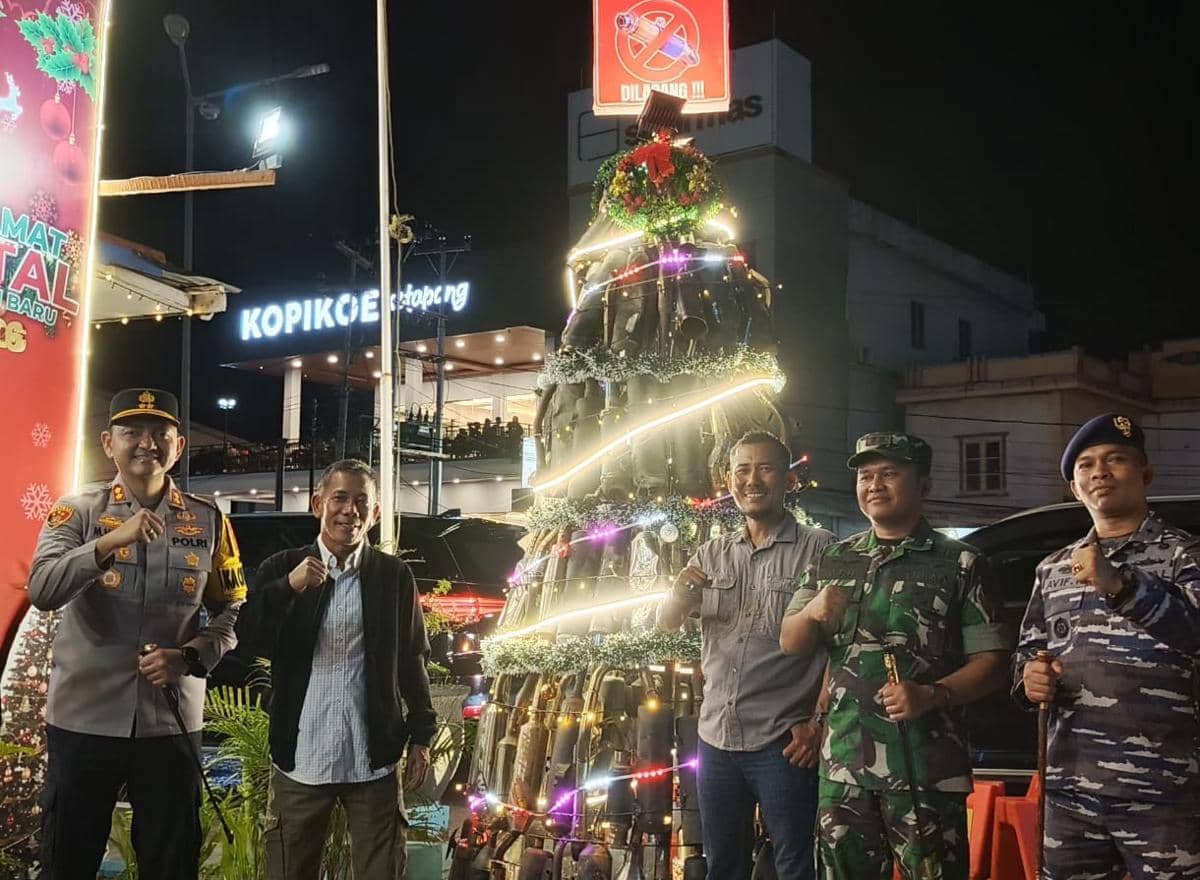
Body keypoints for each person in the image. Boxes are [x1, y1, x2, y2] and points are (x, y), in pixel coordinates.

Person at [28, 388, 246, 879]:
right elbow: (42, 588)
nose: (146, 443)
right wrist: (109, 542)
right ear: (108, 443)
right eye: (132, 432)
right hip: (85, 718)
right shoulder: (77, 512)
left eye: (159, 434)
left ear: (179, 446)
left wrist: (191, 656)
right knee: (68, 859)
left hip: (169, 722)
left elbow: (232, 608)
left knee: (171, 862)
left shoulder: (209, 519)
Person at [780, 432, 1010, 880]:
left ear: (923, 485)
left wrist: (933, 694)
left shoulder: (960, 563)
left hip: (925, 771)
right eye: (866, 475)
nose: (874, 485)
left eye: (890, 473)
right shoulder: (834, 559)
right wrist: (810, 612)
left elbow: (994, 663)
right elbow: (790, 641)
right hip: (843, 769)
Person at [1015, 414, 1200, 879]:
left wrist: (1120, 585)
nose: (1100, 471)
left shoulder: (1185, 555)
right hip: (1070, 792)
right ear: (1075, 489)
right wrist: (1029, 680)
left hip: (1163, 791)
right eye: (1087, 465)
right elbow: (1028, 652)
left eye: (1116, 459)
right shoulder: (1053, 568)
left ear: (1145, 474)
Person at [236, 458, 438, 880]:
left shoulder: (392, 576)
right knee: (289, 871)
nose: (350, 510)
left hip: (373, 760)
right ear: (318, 504)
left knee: (381, 871)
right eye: (339, 499)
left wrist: (421, 735)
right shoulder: (283, 568)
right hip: (302, 756)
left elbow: (412, 658)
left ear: (376, 513)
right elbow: (246, 635)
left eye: (362, 501)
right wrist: (287, 588)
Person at [657, 431, 835, 880]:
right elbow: (667, 622)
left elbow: (842, 646)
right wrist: (680, 594)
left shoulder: (820, 548)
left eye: (765, 468)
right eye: (742, 469)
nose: (752, 480)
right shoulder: (712, 552)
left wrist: (818, 722)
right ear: (729, 479)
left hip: (784, 743)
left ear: (790, 479)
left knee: (796, 867)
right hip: (716, 739)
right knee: (723, 868)